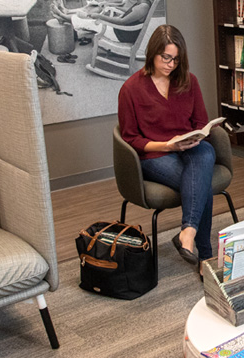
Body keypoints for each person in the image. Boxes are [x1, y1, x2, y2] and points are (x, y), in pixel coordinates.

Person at [117, 24, 215, 276]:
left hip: (188, 150)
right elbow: (131, 138)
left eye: (176, 59)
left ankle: (187, 232)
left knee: (205, 153)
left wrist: (195, 137)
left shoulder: (188, 81)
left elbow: (201, 122)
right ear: (152, 53)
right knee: (201, 185)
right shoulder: (131, 89)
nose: (171, 64)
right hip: (155, 155)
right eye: (166, 57)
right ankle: (205, 257)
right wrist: (167, 145)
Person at [50, 0, 151, 44]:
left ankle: (63, 17)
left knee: (91, 22)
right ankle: (63, 17)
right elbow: (127, 13)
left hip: (121, 35)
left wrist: (100, 17)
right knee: (91, 20)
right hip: (121, 31)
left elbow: (121, 21)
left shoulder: (142, 7)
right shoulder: (142, 3)